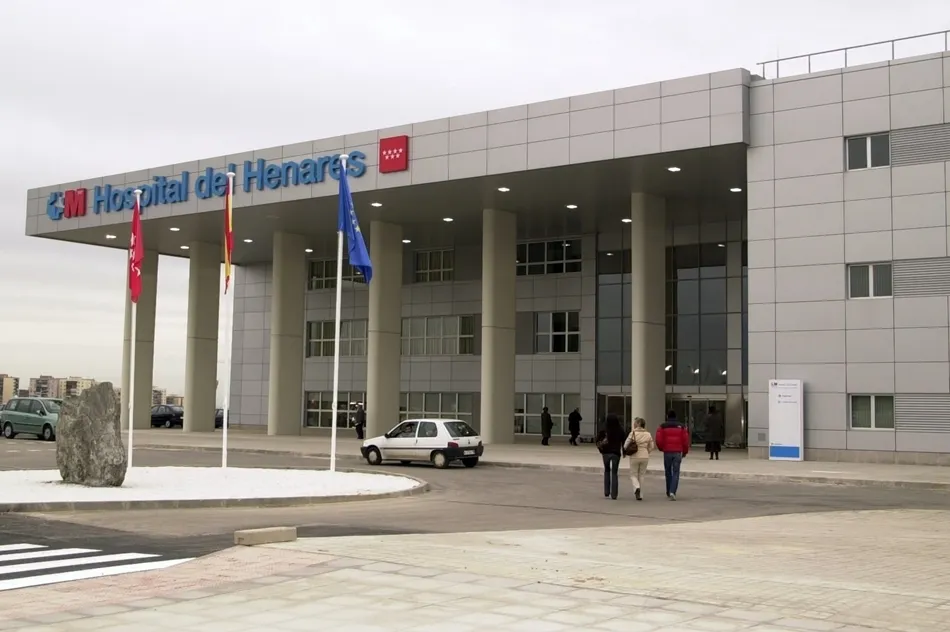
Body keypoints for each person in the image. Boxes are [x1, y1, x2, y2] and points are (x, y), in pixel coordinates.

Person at [655, 410, 689, 500]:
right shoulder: (682, 427)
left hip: (667, 452)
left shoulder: (662, 426)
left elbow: (658, 440)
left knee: (668, 471)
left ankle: (668, 490)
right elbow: (685, 441)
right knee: (676, 472)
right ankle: (672, 491)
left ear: (667, 416)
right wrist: (685, 452)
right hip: (678, 452)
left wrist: (661, 448)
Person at [595, 414, 626, 500]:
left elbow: (597, 440)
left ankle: (606, 491)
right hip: (616, 453)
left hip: (606, 453)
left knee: (607, 470)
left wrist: (601, 450)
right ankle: (614, 494)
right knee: (614, 473)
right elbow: (624, 441)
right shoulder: (620, 429)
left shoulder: (604, 429)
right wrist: (624, 451)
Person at [624, 417, 654, 501]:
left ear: (638, 424)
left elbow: (625, 445)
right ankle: (640, 495)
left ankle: (636, 487)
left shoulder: (632, 433)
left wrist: (626, 451)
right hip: (645, 456)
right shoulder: (648, 434)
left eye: (635, 423)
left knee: (633, 474)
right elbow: (652, 446)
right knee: (642, 475)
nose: (634, 424)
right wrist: (647, 451)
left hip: (634, 456)